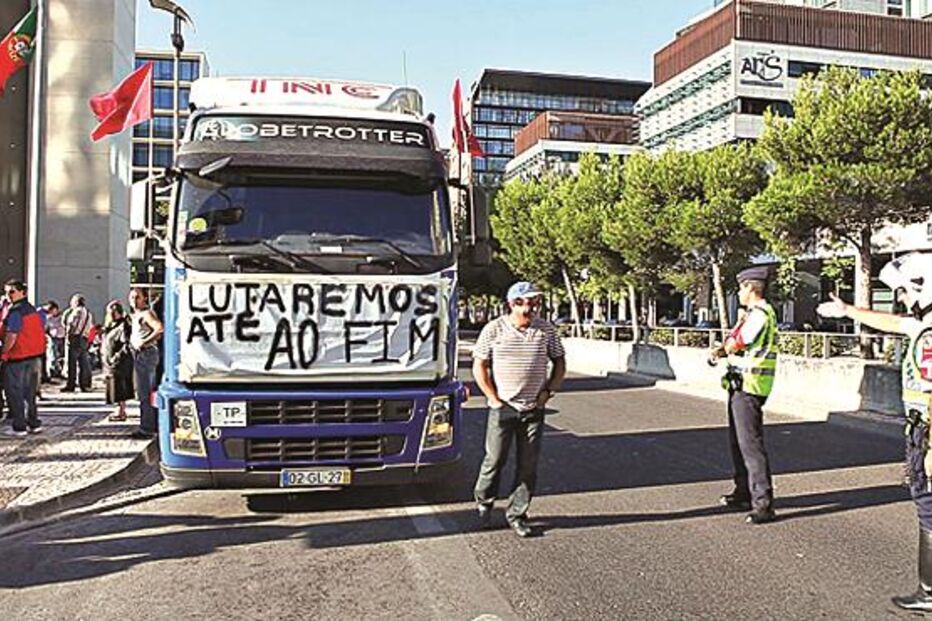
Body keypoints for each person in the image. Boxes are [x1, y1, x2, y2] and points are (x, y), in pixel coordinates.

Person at [817, 252, 932, 611]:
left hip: (927, 432)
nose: (902, 298)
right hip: (922, 429)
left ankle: (929, 593)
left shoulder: (929, 334)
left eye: (904, 291)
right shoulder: (923, 326)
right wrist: (849, 311)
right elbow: (893, 322)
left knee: (928, 506)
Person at [472, 281, 566, 538]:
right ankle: (484, 503)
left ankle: (517, 514)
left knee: (528, 465)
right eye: (522, 302)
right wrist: (492, 398)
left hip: (533, 408)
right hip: (503, 407)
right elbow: (479, 365)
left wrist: (549, 392)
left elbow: (559, 362)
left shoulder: (546, 330)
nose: (528, 308)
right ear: (511, 304)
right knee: (495, 459)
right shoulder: (494, 329)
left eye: (534, 302)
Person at [709, 266, 779, 525]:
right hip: (740, 385)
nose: (739, 292)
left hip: (751, 386)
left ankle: (763, 504)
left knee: (750, 445)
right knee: (738, 443)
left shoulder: (760, 314)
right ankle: (743, 492)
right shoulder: (751, 314)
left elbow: (738, 342)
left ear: (750, 287)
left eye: (741, 287)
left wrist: (721, 350)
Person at [1, 279, 46, 437]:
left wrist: (3, 352)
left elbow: (12, 335)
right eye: (6, 292)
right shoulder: (32, 309)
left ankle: (19, 427)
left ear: (22, 292)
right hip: (34, 357)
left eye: (12, 292)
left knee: (15, 393)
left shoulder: (16, 312)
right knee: (30, 393)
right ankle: (33, 423)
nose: (8, 295)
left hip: (18, 357)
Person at [128, 288, 164, 439]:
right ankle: (149, 423)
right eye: (132, 297)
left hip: (146, 353)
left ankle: (147, 427)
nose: (134, 301)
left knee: (145, 392)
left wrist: (144, 342)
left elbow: (159, 329)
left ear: (144, 299)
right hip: (140, 354)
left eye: (137, 297)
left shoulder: (146, 314)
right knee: (143, 391)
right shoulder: (136, 315)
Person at [101, 300, 134, 422]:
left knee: (119, 386)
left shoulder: (123, 325)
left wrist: (117, 357)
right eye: (110, 313)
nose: (111, 315)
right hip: (110, 361)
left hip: (119, 362)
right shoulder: (110, 326)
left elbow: (126, 344)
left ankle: (121, 411)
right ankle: (119, 409)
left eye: (114, 312)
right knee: (113, 386)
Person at [61, 293, 93, 392]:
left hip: (75, 338)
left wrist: (68, 335)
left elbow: (72, 325)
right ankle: (84, 384)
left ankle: (71, 384)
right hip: (84, 338)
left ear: (76, 302)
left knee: (72, 363)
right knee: (83, 362)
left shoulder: (76, 312)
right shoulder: (88, 313)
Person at [43, 301, 65, 380]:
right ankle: (53, 372)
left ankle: (60, 371)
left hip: (62, 337)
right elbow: (46, 328)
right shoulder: (48, 318)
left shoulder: (62, 317)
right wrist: (48, 335)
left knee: (62, 356)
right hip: (53, 338)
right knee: (53, 355)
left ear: (56, 309)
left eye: (52, 310)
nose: (51, 312)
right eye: (50, 310)